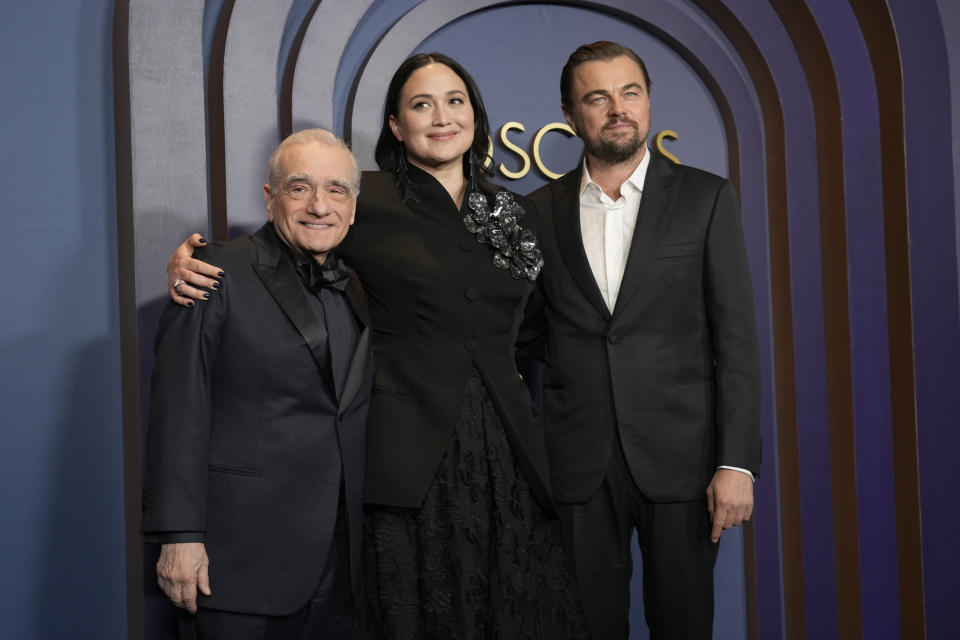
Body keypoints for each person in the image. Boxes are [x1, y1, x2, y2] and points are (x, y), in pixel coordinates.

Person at [165, 53, 587, 639]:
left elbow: (539, 327)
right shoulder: (363, 197)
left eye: (455, 100)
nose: (441, 117)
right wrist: (193, 259)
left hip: (506, 452)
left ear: (475, 113)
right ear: (395, 125)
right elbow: (288, 246)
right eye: (421, 104)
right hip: (406, 457)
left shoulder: (512, 212)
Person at [523, 41, 762, 639]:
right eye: (597, 97)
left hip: (683, 466)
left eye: (630, 93)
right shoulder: (534, 213)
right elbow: (521, 343)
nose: (617, 109)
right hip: (578, 467)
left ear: (648, 101)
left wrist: (737, 462)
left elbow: (735, 339)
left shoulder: (707, 199)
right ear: (570, 112)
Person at [142, 128, 372, 639]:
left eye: (336, 190)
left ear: (354, 207)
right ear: (270, 198)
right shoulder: (214, 271)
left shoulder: (359, 283)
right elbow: (179, 408)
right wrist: (179, 536)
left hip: (342, 567)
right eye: (299, 187)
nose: (319, 205)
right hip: (237, 561)